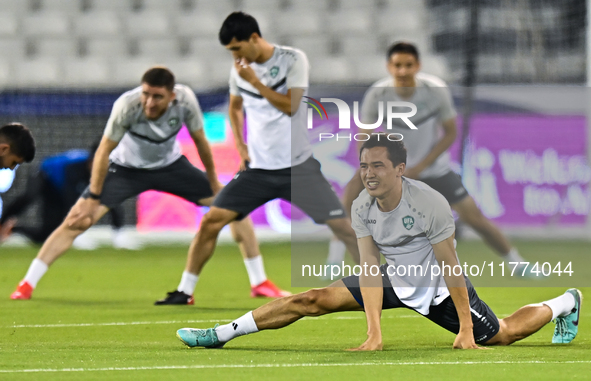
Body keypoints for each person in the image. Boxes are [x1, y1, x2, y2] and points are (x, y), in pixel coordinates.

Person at [176, 136, 582, 350]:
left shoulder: (430, 204)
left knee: (504, 333)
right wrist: (374, 332)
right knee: (312, 299)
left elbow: (451, 267)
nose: (369, 173)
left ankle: (565, 302)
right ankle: (221, 334)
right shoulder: (362, 205)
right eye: (364, 165)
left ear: (399, 169)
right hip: (393, 277)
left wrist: (464, 328)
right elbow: (369, 268)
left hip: (439, 287)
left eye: (378, 166)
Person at [10, 66, 287, 302]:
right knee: (77, 220)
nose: (150, 102)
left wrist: (214, 182)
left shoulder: (186, 102)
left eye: (157, 96)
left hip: (171, 167)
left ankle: (259, 282)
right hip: (124, 170)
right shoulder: (126, 106)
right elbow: (104, 151)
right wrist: (94, 195)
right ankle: (27, 284)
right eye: (146, 94)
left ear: (172, 96)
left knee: (234, 206)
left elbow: (201, 143)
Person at [157, 12, 360, 304]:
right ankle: (184, 291)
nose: (235, 57)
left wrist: (255, 81)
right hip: (257, 172)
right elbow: (235, 107)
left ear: (254, 39)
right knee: (210, 222)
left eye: (237, 48)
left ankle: (379, 285)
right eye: (230, 52)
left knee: (343, 227)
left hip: (298, 168)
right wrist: (240, 146)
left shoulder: (292, 60)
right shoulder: (239, 70)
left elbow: (291, 106)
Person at [326, 42, 531, 275]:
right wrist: (370, 167)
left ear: (418, 66)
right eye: (397, 65)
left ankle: (517, 263)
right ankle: (333, 262)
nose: (402, 71)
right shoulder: (378, 93)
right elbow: (364, 135)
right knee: (350, 201)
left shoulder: (435, 91)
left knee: (474, 217)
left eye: (408, 65)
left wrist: (421, 166)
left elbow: (450, 132)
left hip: (434, 170)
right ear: (389, 67)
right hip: (394, 172)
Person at [0, 145, 132, 249]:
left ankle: (13, 229)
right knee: (29, 196)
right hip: (45, 175)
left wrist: (118, 233)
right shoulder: (74, 168)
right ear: (91, 161)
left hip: (59, 190)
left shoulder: (104, 173)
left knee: (46, 236)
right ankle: (2, 222)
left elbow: (112, 201)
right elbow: (71, 200)